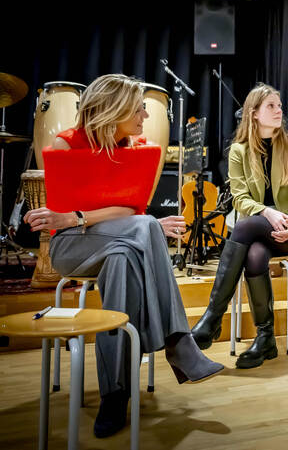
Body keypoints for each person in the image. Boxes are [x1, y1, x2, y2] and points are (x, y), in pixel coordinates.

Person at [25, 73, 223, 439]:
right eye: (138, 109)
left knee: (123, 259)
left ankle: (114, 394)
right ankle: (179, 343)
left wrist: (97, 217)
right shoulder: (67, 144)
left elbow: (131, 211)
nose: (145, 117)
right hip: (71, 246)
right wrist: (77, 219)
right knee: (147, 227)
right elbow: (72, 218)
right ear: (113, 110)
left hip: (117, 242)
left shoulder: (137, 146)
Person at [191, 83, 288, 369]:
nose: (279, 111)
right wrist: (267, 213)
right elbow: (239, 198)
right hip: (258, 229)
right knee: (254, 255)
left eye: (279, 105)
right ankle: (266, 339)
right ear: (253, 113)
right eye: (271, 106)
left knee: (243, 229)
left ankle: (213, 318)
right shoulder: (238, 151)